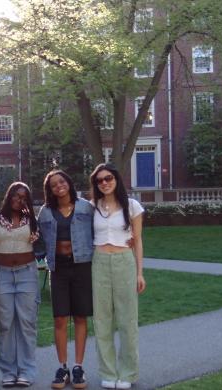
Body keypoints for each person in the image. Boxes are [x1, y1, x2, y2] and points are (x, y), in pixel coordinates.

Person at [89, 163, 146, 390]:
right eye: (100, 180)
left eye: (108, 178)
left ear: (116, 179)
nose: (104, 182)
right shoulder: (92, 207)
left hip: (125, 261)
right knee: (102, 320)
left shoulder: (132, 206)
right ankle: (108, 372)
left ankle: (128, 373)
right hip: (99, 262)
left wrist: (140, 272)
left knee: (127, 320)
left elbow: (138, 240)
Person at [36, 170, 94, 390]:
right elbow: (39, 239)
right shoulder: (45, 211)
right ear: (49, 190)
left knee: (80, 316)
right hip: (58, 269)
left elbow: (97, 232)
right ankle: (63, 367)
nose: (58, 186)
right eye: (53, 185)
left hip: (82, 266)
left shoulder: (86, 207)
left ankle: (78, 367)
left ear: (69, 183)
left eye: (61, 181)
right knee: (60, 318)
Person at [0, 182, 40, 388]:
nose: (20, 200)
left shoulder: (31, 220)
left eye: (24, 197)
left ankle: (26, 371)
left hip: (27, 273)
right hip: (2, 274)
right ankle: (8, 371)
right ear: (9, 196)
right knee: (5, 323)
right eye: (16, 196)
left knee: (27, 322)